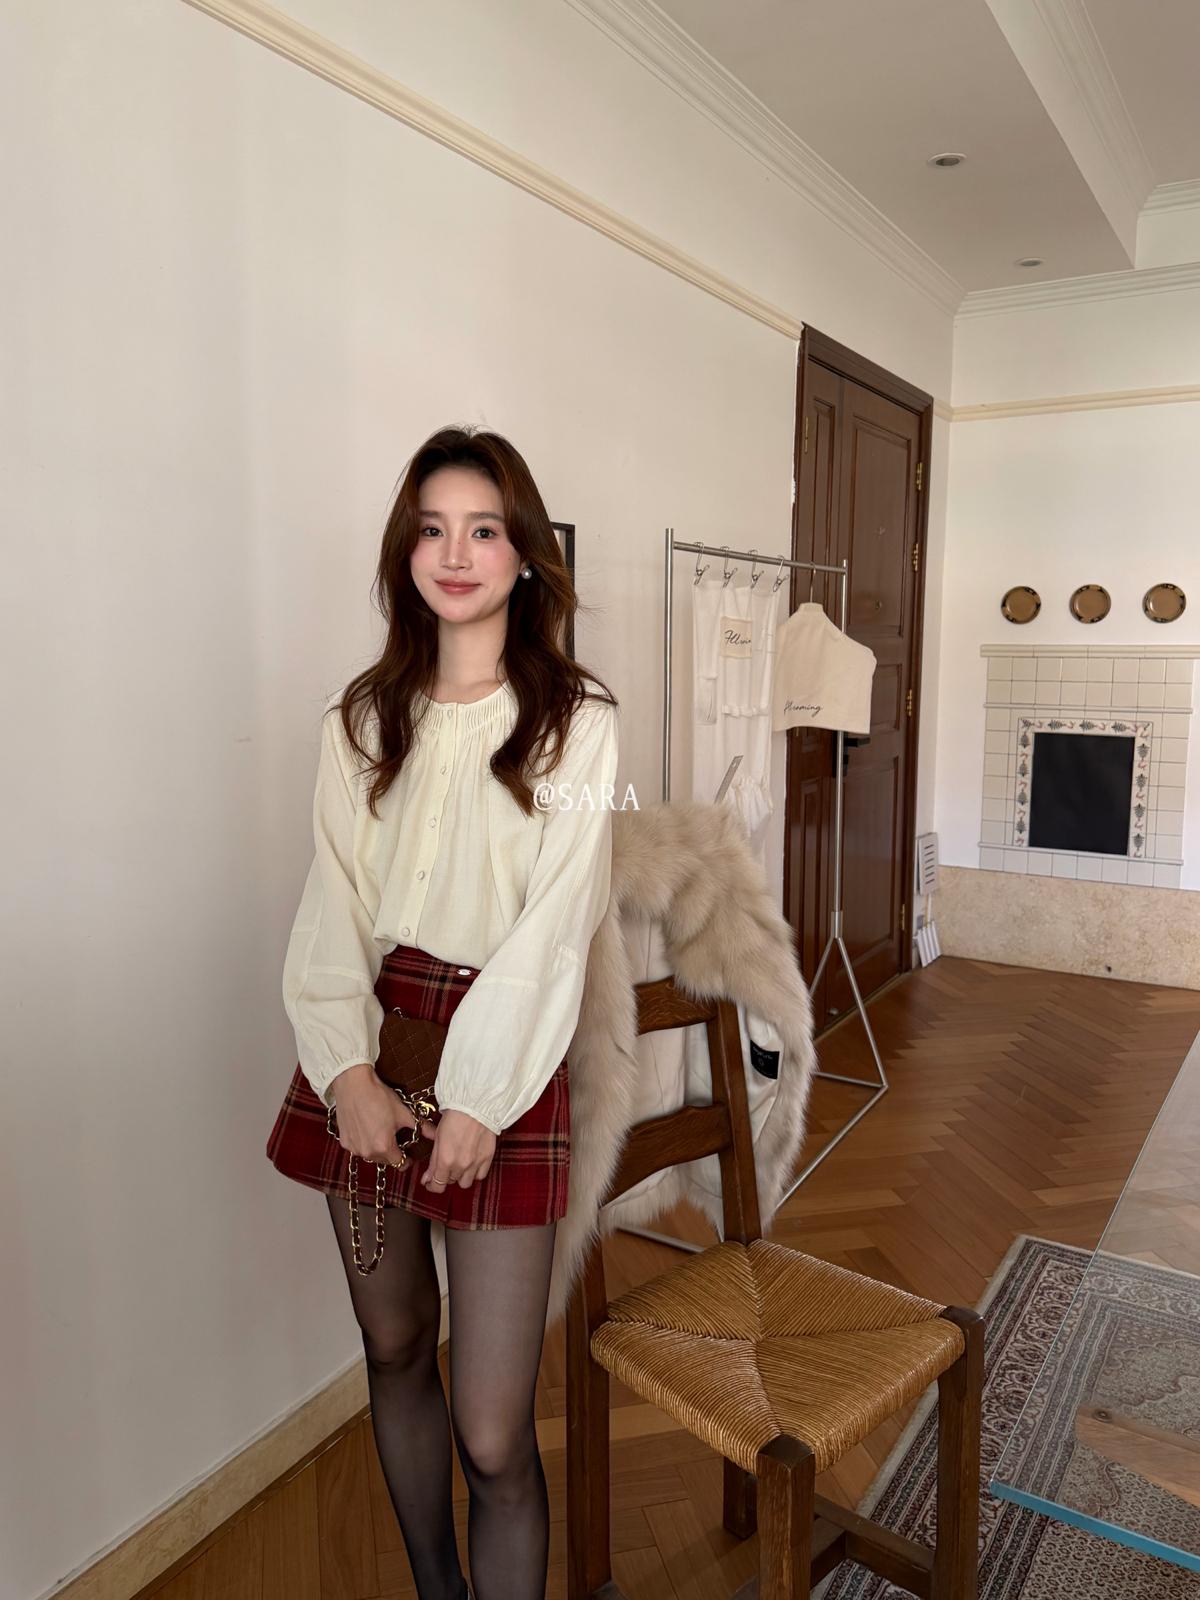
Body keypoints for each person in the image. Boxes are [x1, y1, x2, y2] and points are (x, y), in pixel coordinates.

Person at [265, 425, 620, 1600]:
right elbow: (331, 899)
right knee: (395, 1346)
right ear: (403, 548)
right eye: (431, 528)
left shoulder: (577, 722)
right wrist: (344, 1072)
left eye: (483, 529)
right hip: (370, 1037)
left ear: (525, 553)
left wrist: (479, 1097)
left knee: (494, 1433)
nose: (455, 554)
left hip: (505, 1051)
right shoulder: (359, 718)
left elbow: (559, 926)